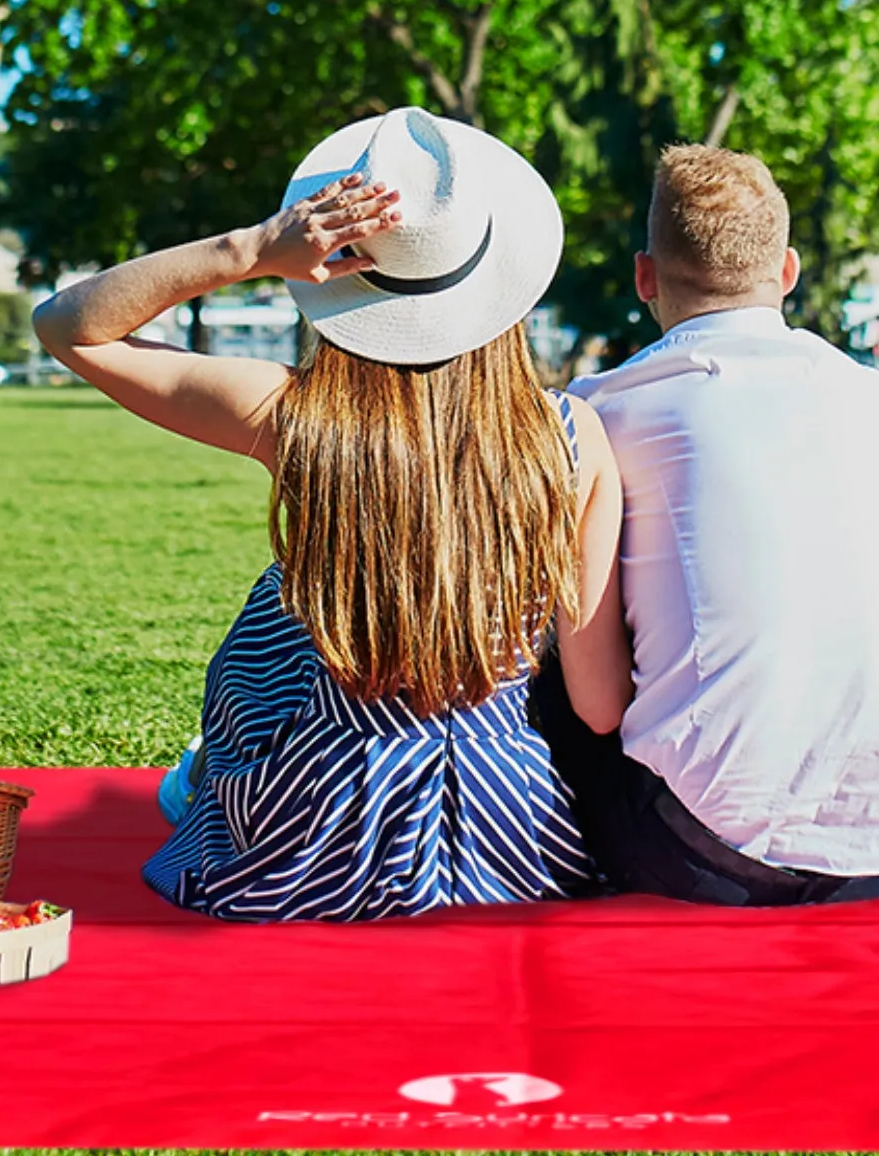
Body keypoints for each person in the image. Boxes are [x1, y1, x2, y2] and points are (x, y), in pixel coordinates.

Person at [31, 105, 629, 921]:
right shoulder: (571, 436)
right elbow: (598, 704)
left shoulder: (294, 416)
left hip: (312, 830)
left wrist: (249, 250)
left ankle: (213, 776)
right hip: (511, 830)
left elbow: (70, 328)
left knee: (280, 599)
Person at [532, 144, 879, 906]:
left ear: (644, 278)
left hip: (697, 851)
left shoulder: (604, 411)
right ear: (787, 271)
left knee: (542, 641)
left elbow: (596, 707)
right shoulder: (867, 396)